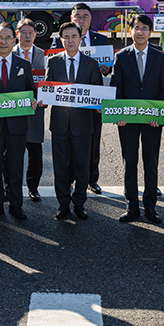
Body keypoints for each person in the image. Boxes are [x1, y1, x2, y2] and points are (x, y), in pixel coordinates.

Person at [110, 15, 164, 225]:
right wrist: (119, 114)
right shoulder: (121, 56)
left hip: (152, 120)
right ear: (130, 31)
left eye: (145, 28)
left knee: (151, 163)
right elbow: (116, 87)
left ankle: (151, 207)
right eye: (137, 28)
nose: (141, 32)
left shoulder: (160, 57)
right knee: (130, 162)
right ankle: (131, 206)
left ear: (150, 32)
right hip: (128, 120)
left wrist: (159, 115)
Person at [0, 23, 37, 221]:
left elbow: (32, 90)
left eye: (7, 38)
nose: (3, 42)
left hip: (17, 126)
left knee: (15, 166)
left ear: (14, 40)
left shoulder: (24, 65)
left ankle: (16, 206)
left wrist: (35, 100)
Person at [45, 22, 103, 221]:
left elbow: (99, 94)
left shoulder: (91, 64)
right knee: (60, 166)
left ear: (80, 38)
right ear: (61, 40)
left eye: (74, 37)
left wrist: (100, 104)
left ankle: (79, 203)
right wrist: (42, 100)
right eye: (66, 37)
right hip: (60, 124)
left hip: (84, 124)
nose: (70, 40)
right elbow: (47, 91)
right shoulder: (53, 62)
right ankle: (63, 204)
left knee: (82, 166)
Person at [68, 3, 111, 196]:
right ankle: (69, 178)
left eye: (85, 16)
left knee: (93, 140)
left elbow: (109, 67)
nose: (81, 20)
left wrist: (106, 70)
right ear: (71, 18)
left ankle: (92, 179)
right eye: (77, 16)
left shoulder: (101, 40)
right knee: (68, 142)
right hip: (68, 100)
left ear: (90, 19)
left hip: (94, 99)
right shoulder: (59, 40)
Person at [14, 18, 46, 202]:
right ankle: (10, 187)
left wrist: (46, 98)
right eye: (23, 32)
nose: (27, 36)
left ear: (35, 35)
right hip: (13, 109)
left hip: (36, 111)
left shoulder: (43, 55)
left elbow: (49, 82)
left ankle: (33, 188)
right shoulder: (9, 53)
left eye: (30, 33)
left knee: (35, 153)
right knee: (11, 153)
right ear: (17, 34)